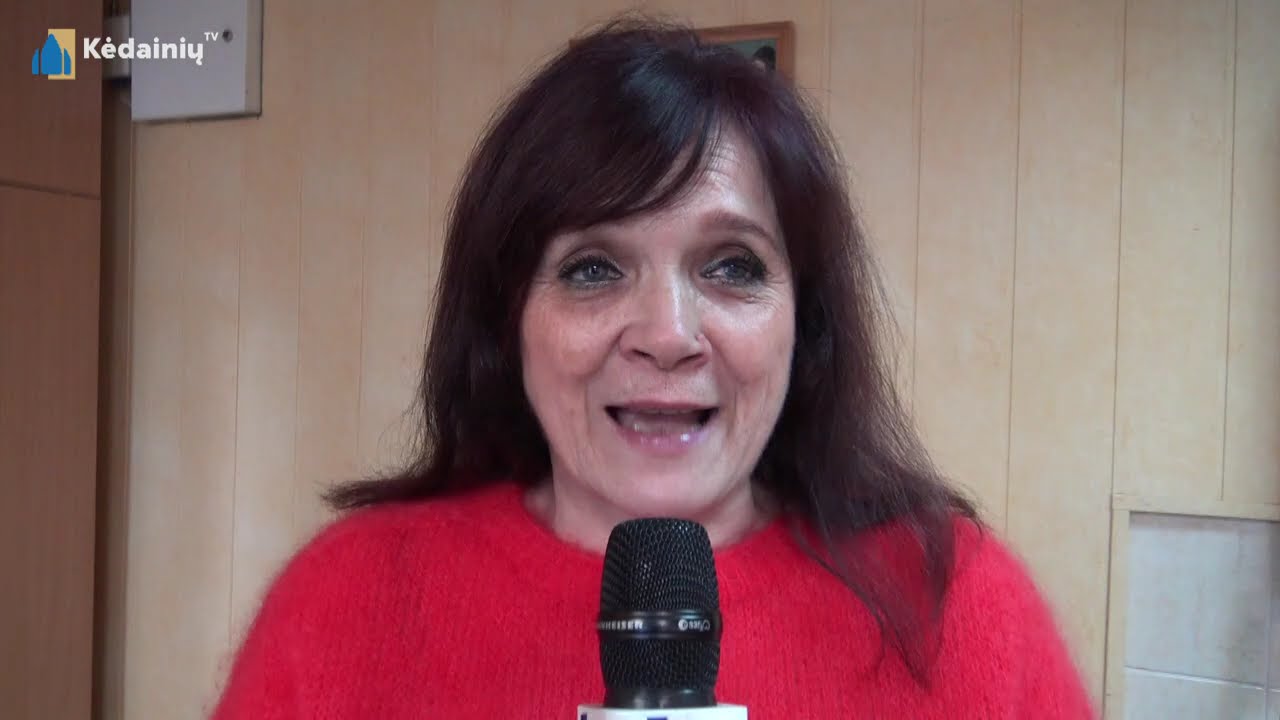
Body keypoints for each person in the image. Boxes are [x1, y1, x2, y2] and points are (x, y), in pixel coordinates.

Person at [211, 16, 1094, 719]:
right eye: (594, 269)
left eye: (732, 266)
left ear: (807, 321)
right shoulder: (343, 606)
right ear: (507, 320)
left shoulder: (961, 609)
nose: (668, 336)